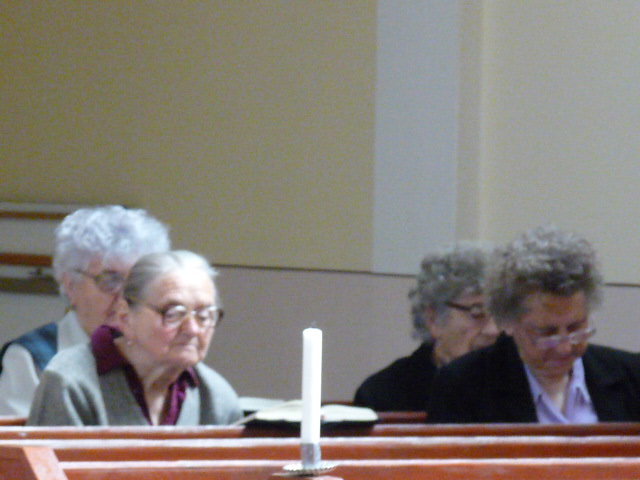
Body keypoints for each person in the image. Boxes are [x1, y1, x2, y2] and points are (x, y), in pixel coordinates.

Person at [427, 225, 640, 424]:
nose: (564, 348)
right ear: (507, 321)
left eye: (576, 328)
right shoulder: (463, 385)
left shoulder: (632, 375)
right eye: (547, 333)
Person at [27, 250, 241, 426]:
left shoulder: (216, 397)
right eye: (173, 314)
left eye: (204, 316)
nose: (192, 329)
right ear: (125, 317)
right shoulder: (71, 383)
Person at [0, 205, 170, 416]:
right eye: (110, 280)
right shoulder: (32, 358)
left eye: (137, 281)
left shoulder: (161, 352)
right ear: (70, 284)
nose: (125, 298)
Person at [353, 242, 499, 411]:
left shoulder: (518, 384)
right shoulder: (382, 394)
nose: (494, 330)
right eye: (477, 312)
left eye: (501, 313)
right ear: (433, 319)